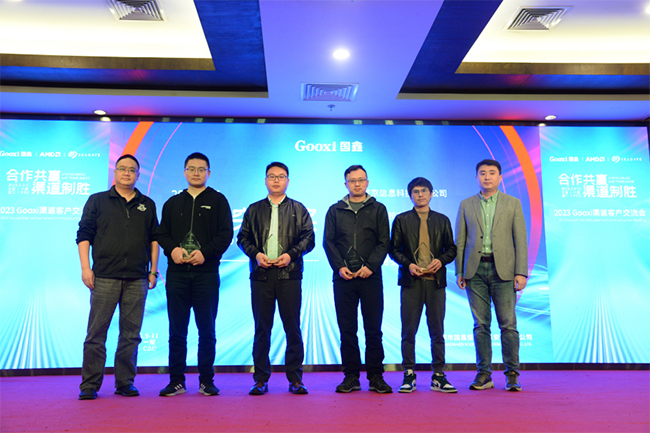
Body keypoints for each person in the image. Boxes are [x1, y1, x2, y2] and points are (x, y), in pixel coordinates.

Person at [76, 154, 159, 400]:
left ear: (138, 175)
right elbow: (84, 235)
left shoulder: (147, 204)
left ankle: (125, 382)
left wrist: (153, 270)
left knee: (131, 334)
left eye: (132, 170)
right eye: (122, 169)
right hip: (104, 276)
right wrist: (86, 268)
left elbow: (154, 239)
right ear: (115, 172)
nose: (127, 173)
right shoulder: (98, 200)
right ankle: (89, 385)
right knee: (96, 334)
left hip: (137, 277)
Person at [157, 152, 233, 397]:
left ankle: (206, 381)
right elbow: (162, 233)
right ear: (184, 172)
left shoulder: (218, 200)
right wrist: (173, 249)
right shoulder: (173, 203)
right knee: (177, 331)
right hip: (177, 275)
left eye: (201, 169)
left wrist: (205, 253)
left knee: (206, 331)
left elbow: (226, 234)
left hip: (206, 274)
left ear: (208, 173)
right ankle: (176, 381)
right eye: (191, 168)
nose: (196, 173)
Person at [237, 162, 315, 395]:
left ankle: (296, 379)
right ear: (265, 180)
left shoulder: (299, 209)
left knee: (293, 328)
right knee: (262, 328)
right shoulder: (253, 209)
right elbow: (242, 238)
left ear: (287, 181)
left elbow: (309, 239)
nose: (276, 180)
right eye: (272, 176)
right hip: (261, 275)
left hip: (289, 275)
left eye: (281, 176)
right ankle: (260, 379)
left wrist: (291, 255)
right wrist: (256, 254)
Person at [455, 159, 528, 392]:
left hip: (503, 271)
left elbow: (520, 240)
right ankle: (484, 374)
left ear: (500, 177)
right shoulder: (466, 204)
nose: (487, 177)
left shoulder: (512, 203)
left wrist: (521, 272)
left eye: (492, 173)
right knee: (480, 325)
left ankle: (512, 374)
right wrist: (459, 270)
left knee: (508, 325)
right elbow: (460, 241)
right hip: (475, 271)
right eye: (482, 173)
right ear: (476, 177)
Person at [324, 165, 392, 394]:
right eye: (352, 180)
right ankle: (351, 376)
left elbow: (384, 241)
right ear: (346, 184)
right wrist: (340, 267)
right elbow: (328, 242)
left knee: (373, 330)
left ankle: (376, 377)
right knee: (347, 330)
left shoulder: (378, 209)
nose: (357, 184)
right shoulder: (335, 210)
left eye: (361, 180)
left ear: (367, 182)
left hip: (370, 277)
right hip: (343, 278)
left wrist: (370, 266)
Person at [389, 177, 457, 393]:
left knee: (437, 330)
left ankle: (438, 375)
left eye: (424, 191)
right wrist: (408, 264)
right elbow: (393, 250)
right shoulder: (401, 220)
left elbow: (452, 249)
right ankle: (409, 374)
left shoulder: (442, 220)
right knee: (409, 330)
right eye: (416, 192)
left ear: (431, 193)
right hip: (411, 282)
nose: (420, 195)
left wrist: (442, 260)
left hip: (436, 283)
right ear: (410, 195)